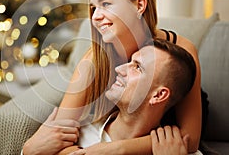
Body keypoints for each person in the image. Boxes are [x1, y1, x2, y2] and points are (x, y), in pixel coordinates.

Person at [22, 0, 202, 155]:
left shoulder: (181, 50)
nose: (96, 17)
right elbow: (59, 135)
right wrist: (29, 150)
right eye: (93, 8)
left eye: (106, 4)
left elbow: (189, 139)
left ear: (139, 5)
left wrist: (118, 149)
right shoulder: (93, 61)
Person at [23, 39, 200, 155]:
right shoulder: (70, 137)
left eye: (137, 67)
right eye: (129, 61)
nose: (119, 69)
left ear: (159, 95)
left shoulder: (175, 151)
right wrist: (28, 151)